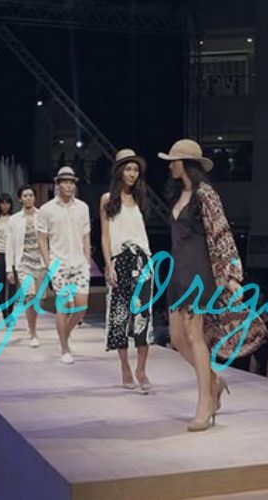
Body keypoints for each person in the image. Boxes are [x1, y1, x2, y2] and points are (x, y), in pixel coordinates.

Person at [158, 139, 266, 432]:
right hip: (178, 271)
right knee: (177, 338)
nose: (170, 165)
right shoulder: (178, 194)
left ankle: (204, 404)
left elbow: (221, 233)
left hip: (198, 272)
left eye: (173, 160)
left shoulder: (205, 193)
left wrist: (232, 275)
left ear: (186, 163)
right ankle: (214, 381)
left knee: (195, 337)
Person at [100, 149, 154, 392]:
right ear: (119, 171)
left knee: (143, 315)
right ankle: (125, 367)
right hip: (119, 259)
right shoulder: (107, 199)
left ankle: (141, 369)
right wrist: (108, 264)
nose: (132, 174)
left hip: (143, 260)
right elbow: (105, 235)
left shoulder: (141, 198)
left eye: (136, 170)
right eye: (128, 169)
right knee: (120, 316)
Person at [37, 166, 91, 364]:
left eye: (71, 182)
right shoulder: (46, 210)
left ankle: (64, 335)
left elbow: (86, 236)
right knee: (64, 306)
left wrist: (87, 261)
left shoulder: (83, 207)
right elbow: (42, 239)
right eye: (65, 182)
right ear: (57, 185)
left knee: (81, 307)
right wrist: (49, 264)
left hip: (79, 263)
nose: (69, 186)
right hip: (58, 263)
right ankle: (64, 348)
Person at [6, 185, 45, 347]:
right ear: (20, 199)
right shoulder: (14, 220)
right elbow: (10, 245)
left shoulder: (42, 216)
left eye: (31, 195)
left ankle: (32, 323)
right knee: (30, 296)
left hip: (41, 262)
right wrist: (9, 269)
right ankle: (33, 332)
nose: (28, 198)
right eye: (25, 195)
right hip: (23, 263)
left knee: (39, 299)